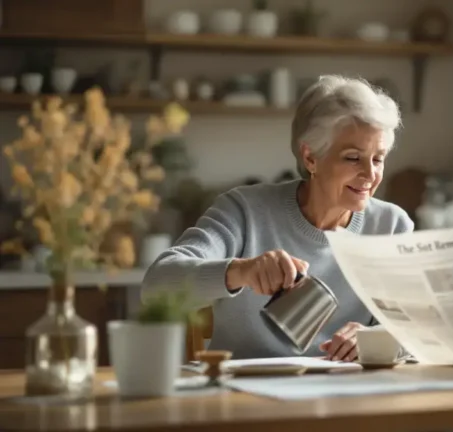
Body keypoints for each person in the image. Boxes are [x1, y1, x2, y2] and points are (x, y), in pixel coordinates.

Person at [142, 75, 413, 362]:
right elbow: (156, 286)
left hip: (347, 395)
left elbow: (421, 329)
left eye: (378, 158)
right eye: (352, 158)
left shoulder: (391, 227)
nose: (370, 175)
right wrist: (241, 271)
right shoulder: (245, 211)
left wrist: (378, 339)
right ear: (310, 157)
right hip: (245, 397)